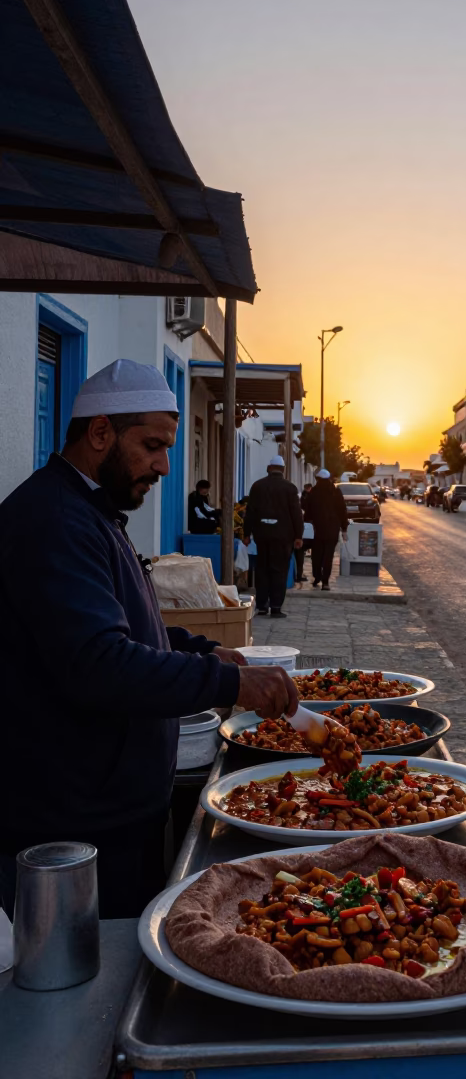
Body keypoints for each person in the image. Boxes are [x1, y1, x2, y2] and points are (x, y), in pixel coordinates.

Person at [0, 359, 298, 920]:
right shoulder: (55, 522)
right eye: (152, 446)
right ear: (99, 433)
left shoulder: (92, 512)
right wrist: (230, 681)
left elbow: (130, 627)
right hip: (70, 828)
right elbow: (100, 663)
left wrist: (202, 650)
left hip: (112, 812)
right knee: (94, 992)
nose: (165, 465)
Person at [243, 455, 304, 617]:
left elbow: (250, 512)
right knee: (279, 571)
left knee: (262, 570)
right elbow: (296, 514)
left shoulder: (257, 486)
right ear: (283, 470)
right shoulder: (290, 488)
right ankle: (276, 607)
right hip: (283, 537)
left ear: (269, 468)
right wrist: (299, 535)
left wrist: (246, 534)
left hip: (262, 535)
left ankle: (262, 605)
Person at [304, 469, 348, 590]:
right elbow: (342, 511)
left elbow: (308, 512)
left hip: (317, 530)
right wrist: (344, 529)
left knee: (317, 555)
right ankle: (325, 582)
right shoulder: (336, 492)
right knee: (328, 556)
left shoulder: (313, 493)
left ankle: (317, 576)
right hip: (332, 529)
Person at [295, 482, 314, 583]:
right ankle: (298, 574)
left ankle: (297, 574)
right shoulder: (299, 507)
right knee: (299, 554)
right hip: (297, 536)